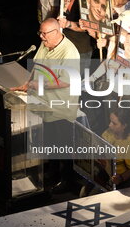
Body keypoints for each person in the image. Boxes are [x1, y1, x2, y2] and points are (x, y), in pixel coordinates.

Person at [11, 18, 80, 193]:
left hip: (62, 106)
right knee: (51, 141)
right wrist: (28, 83)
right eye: (40, 33)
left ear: (57, 32)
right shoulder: (46, 43)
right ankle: (52, 172)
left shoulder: (70, 53)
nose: (41, 37)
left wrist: (39, 85)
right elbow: (37, 64)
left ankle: (68, 180)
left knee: (64, 145)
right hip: (45, 104)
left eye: (45, 33)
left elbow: (65, 82)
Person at [102, 109, 130, 188]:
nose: (109, 125)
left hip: (125, 180)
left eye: (114, 123)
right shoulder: (108, 132)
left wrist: (120, 179)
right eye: (110, 121)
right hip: (106, 173)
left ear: (124, 126)